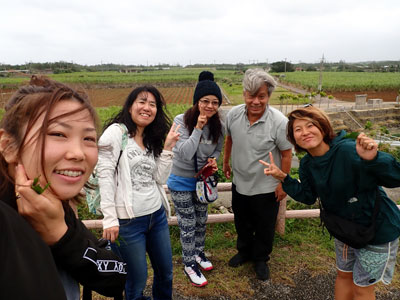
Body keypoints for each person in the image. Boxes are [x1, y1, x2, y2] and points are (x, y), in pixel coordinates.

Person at [0, 76, 127, 300]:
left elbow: (115, 276)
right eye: (58, 134)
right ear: (9, 146)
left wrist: (62, 235)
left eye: (88, 138)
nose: (78, 153)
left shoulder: (53, 207)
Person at [260, 105, 400, 300]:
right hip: (344, 229)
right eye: (297, 129)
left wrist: (374, 159)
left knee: (361, 287)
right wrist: (283, 177)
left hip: (376, 229)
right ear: (293, 138)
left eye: (310, 125)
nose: (305, 132)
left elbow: (396, 177)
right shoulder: (307, 163)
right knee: (343, 276)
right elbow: (308, 196)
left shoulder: (349, 150)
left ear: (323, 127)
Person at [97, 85, 180, 300]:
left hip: (156, 217)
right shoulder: (117, 132)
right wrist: (109, 218)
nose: (147, 108)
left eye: (152, 105)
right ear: (130, 106)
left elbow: (159, 178)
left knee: (166, 272)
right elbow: (104, 174)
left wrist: (168, 147)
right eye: (142, 102)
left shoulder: (151, 138)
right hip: (128, 223)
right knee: (136, 281)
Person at [223, 68, 292, 280]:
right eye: (251, 95)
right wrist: (226, 162)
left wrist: (283, 184)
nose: (255, 101)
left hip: (266, 187)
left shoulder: (279, 122)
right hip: (240, 182)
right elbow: (230, 140)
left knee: (264, 226)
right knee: (241, 222)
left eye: (261, 96)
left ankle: (261, 258)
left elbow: (287, 154)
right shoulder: (234, 115)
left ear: (268, 96)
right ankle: (244, 252)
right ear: (244, 94)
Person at [167, 71, 225, 287]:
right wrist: (198, 128)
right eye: (205, 101)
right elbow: (184, 153)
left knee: (201, 221)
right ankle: (189, 263)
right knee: (188, 223)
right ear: (196, 101)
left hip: (203, 183)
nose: (210, 106)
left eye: (215, 102)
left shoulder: (219, 124)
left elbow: (217, 149)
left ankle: (198, 253)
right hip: (181, 181)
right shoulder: (181, 121)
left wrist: (213, 160)